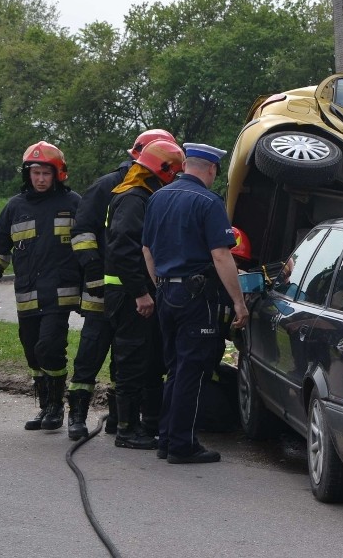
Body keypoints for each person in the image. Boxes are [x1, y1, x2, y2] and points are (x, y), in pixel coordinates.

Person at [66, 129, 176, 440]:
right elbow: (83, 233)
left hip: (128, 284)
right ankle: (77, 416)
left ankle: (119, 418)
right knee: (91, 351)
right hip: (103, 284)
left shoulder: (150, 190)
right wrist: (93, 273)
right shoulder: (110, 186)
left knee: (129, 353)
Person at [142, 142, 249, 464]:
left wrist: (160, 285)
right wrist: (239, 303)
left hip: (167, 294)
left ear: (186, 165)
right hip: (195, 298)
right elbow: (220, 254)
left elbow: (147, 250)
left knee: (175, 368)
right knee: (191, 371)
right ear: (212, 169)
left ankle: (166, 438)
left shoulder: (158, 197)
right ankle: (182, 445)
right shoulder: (208, 201)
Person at [0, 141, 82, 431]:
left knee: (49, 347)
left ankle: (57, 407)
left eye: (46, 173)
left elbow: (89, 246)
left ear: (58, 174)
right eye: (35, 173)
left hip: (60, 294)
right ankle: (46, 403)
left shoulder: (73, 203)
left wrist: (92, 285)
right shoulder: (15, 207)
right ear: (27, 174)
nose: (40, 179)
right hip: (27, 293)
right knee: (32, 352)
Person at [105, 138, 185, 449]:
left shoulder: (140, 196)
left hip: (136, 292)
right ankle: (126, 430)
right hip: (129, 296)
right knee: (133, 359)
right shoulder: (134, 199)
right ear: (162, 171)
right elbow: (125, 250)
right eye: (172, 173)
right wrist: (140, 293)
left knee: (149, 359)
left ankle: (148, 423)